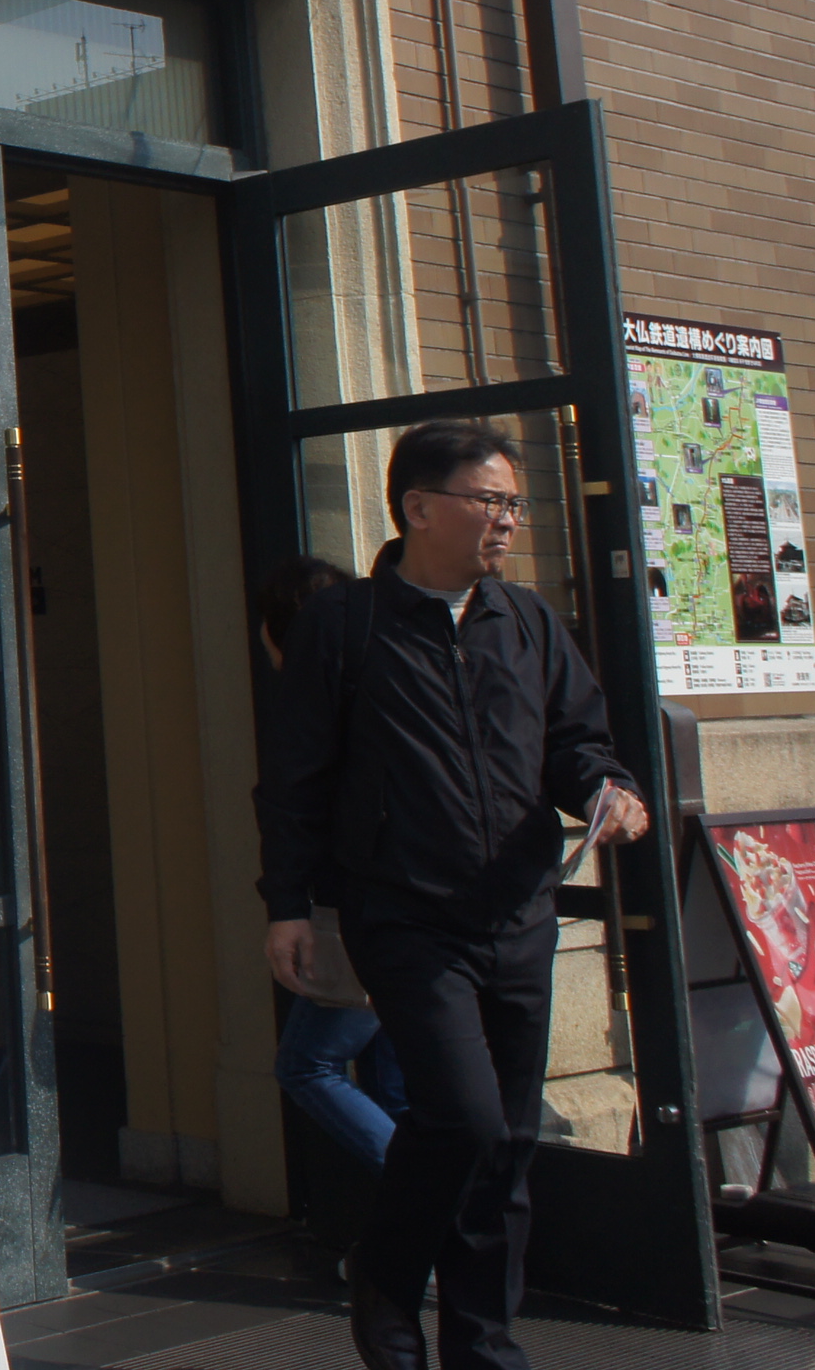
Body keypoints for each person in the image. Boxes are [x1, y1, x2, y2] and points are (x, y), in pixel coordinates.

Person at [254, 420, 650, 1370]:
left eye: (514, 503)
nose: (508, 520)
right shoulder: (344, 625)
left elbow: (576, 742)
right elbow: (295, 778)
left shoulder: (528, 622)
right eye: (491, 501)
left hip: (517, 912)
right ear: (420, 507)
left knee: (506, 1141)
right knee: (463, 1117)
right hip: (404, 916)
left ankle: (484, 1346)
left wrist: (607, 789)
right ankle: (386, 1280)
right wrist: (288, 904)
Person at [253, 555, 407, 1174]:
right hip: (413, 908)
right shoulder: (390, 684)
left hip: (354, 907)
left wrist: (288, 907)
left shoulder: (311, 704)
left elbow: (295, 808)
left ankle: (432, 1196)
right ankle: (422, 1223)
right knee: (393, 1082)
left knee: (307, 1064)